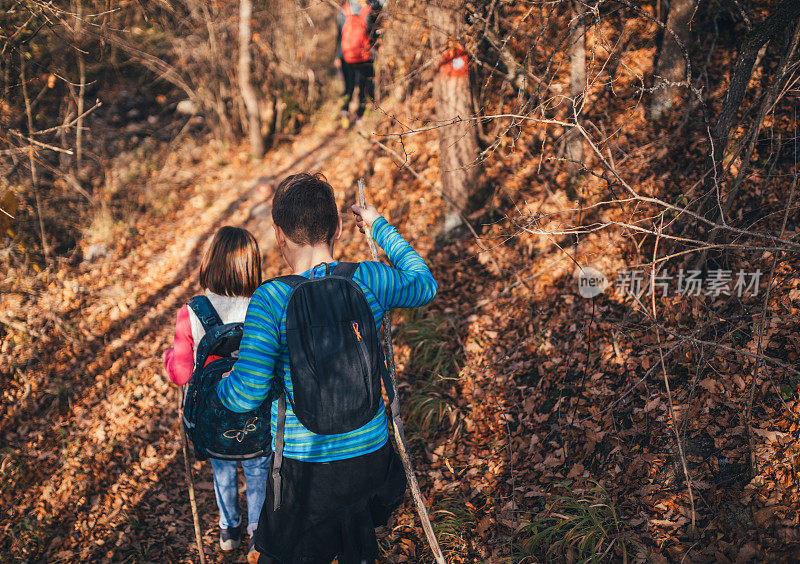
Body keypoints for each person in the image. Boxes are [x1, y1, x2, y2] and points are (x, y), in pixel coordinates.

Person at [216, 172, 437, 563]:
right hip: (371, 458)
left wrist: (218, 383)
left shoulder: (271, 299)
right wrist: (378, 226)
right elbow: (424, 284)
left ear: (279, 234)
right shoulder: (368, 279)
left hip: (306, 474)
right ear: (337, 228)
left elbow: (246, 393)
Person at [164, 226, 269, 559]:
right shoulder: (265, 304)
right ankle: (258, 533)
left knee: (222, 471)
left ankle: (229, 528)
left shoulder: (192, 311)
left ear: (209, 262)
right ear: (253, 265)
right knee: (258, 472)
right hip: (259, 415)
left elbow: (181, 374)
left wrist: (169, 357)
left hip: (214, 420)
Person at [335, 0, 384, 125]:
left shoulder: (343, 11)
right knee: (362, 86)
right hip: (365, 56)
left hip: (346, 56)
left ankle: (345, 112)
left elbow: (339, 36)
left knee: (348, 87)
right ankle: (359, 116)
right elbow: (374, 34)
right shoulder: (368, 10)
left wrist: (338, 57)